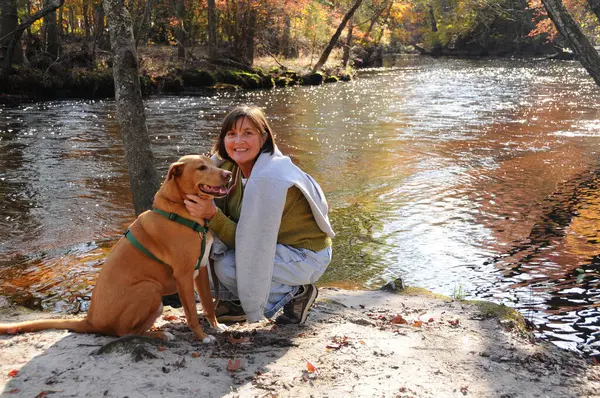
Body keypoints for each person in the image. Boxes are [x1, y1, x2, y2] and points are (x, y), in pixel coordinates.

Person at [183, 105, 334, 324]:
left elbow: (252, 244)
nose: (238, 141)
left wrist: (212, 214)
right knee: (206, 253)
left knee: (229, 267)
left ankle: (296, 294)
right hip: (274, 247)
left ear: (264, 139)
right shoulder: (228, 168)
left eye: (248, 133)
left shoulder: (270, 178)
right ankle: (235, 302)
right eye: (231, 134)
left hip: (304, 256)